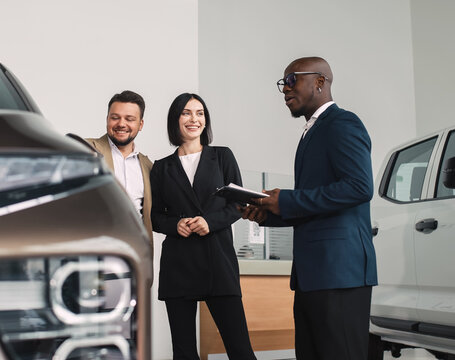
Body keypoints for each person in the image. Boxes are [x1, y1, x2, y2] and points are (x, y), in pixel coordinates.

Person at [241, 57, 377, 359]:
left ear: (319, 82)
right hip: (313, 275)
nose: (285, 89)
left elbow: (359, 187)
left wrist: (285, 199)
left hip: (340, 273)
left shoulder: (343, 123)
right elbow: (318, 205)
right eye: (282, 83)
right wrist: (267, 215)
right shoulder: (310, 133)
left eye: (292, 80)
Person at [150, 93, 256, 360]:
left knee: (240, 350)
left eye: (200, 113)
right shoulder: (161, 168)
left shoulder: (222, 157)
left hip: (217, 261)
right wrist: (176, 225)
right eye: (186, 113)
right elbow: (154, 216)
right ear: (176, 119)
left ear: (205, 120)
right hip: (179, 266)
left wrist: (210, 221)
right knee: (184, 353)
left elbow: (240, 205)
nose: (193, 119)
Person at [86, 90, 153, 241]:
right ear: (107, 119)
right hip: (94, 246)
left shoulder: (148, 166)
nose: (121, 124)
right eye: (115, 118)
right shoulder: (85, 148)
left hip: (134, 250)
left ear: (140, 124)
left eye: (129, 119)